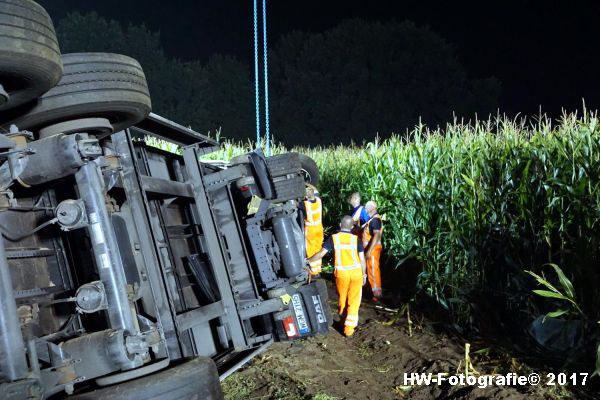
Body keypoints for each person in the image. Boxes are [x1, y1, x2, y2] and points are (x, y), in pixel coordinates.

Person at [307, 216, 367, 337]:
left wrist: (307, 261)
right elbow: (362, 260)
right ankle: (349, 330)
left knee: (343, 299)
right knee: (354, 301)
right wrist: (364, 274)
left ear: (340, 225)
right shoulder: (356, 239)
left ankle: (343, 321)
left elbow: (320, 254)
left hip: (342, 274)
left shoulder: (334, 238)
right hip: (356, 273)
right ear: (352, 227)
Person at [298, 184, 324, 276]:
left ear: (305, 196)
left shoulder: (304, 204)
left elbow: (294, 204)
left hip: (311, 231)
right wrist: (306, 183)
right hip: (319, 229)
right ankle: (318, 268)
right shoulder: (319, 200)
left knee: (311, 249)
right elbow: (315, 189)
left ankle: (313, 270)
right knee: (318, 248)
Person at [362, 201, 383, 301]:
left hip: (373, 250)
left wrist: (369, 250)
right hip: (370, 250)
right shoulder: (372, 220)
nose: (365, 210)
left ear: (372, 208)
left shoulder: (375, 220)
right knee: (370, 271)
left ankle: (376, 295)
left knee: (373, 271)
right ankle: (371, 291)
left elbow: (377, 235)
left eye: (366, 207)